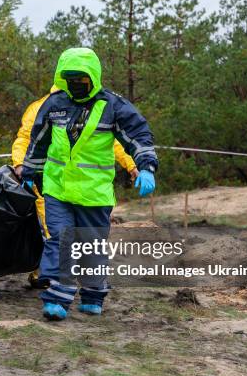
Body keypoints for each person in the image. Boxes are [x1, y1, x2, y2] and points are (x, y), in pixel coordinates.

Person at [21, 47, 158, 320]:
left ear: (93, 77)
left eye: (81, 79)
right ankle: (57, 300)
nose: (76, 85)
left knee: (91, 247)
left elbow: (138, 135)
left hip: (94, 194)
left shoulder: (114, 107)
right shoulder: (54, 104)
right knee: (60, 239)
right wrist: (29, 173)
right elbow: (38, 141)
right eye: (70, 79)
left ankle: (94, 294)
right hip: (57, 189)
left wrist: (146, 167)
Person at [12, 86, 139, 289]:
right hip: (48, 180)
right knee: (52, 229)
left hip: (85, 186)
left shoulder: (94, 108)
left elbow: (113, 142)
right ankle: (46, 275)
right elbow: (25, 137)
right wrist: (20, 165)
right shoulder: (40, 107)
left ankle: (78, 278)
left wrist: (132, 164)